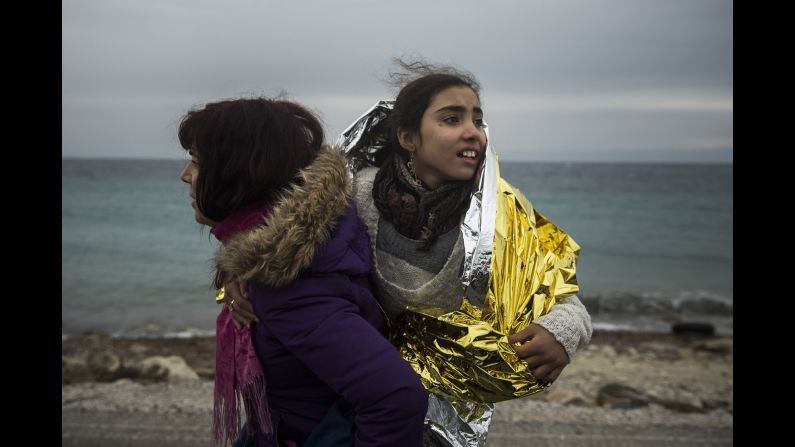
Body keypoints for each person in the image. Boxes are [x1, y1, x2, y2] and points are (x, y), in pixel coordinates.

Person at [226, 61, 593, 446]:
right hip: (341, 400)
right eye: (452, 119)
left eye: (478, 121)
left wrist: (562, 333)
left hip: (442, 417)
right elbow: (281, 243)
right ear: (407, 137)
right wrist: (238, 276)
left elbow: (566, 298)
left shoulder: (503, 213)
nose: (474, 133)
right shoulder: (355, 196)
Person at [178, 97, 428, 447]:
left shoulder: (290, 285)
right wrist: (240, 270)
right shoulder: (312, 244)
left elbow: (396, 397)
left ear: (236, 173)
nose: (184, 175)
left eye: (196, 162)